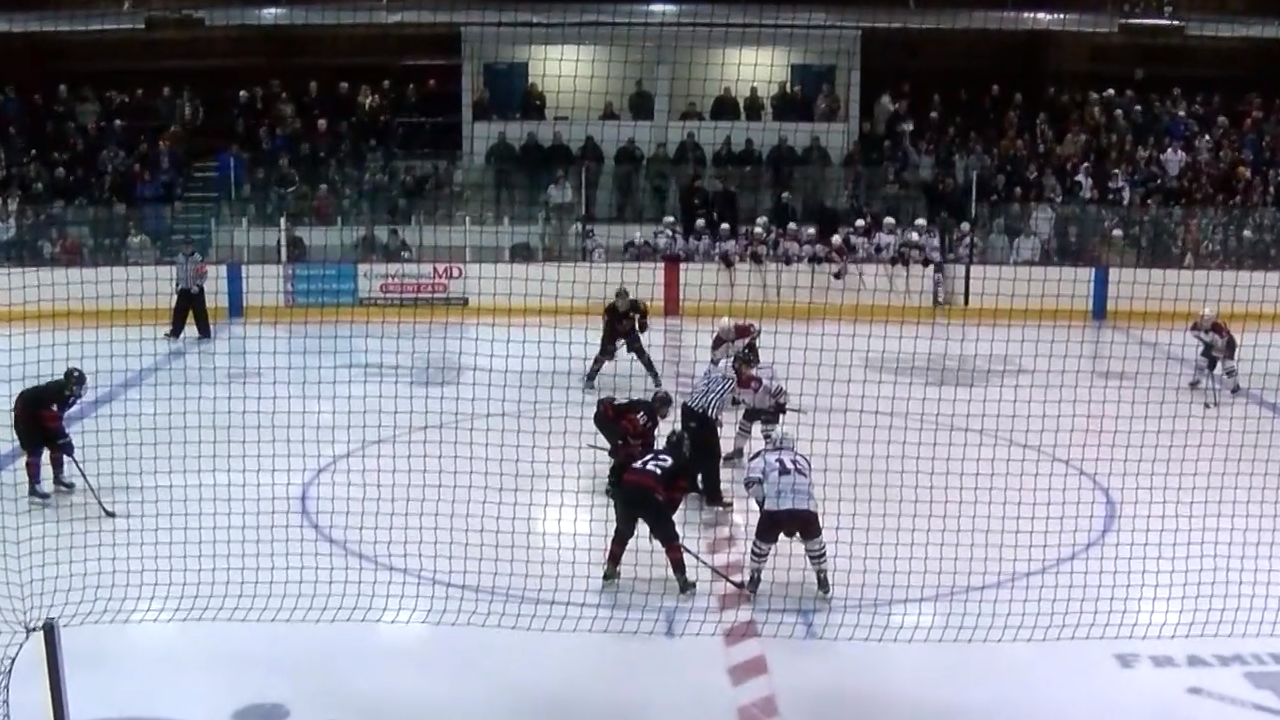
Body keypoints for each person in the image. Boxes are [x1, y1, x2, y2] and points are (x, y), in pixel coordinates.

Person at [603, 430, 697, 595]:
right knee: (670, 540)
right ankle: (682, 580)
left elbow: (623, 463)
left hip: (625, 491)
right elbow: (675, 497)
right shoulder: (682, 464)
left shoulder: (649, 452)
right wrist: (662, 524)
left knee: (622, 532)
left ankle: (610, 570)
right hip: (648, 494)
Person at [13, 368, 87, 501]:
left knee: (57, 445)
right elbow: (51, 419)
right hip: (27, 414)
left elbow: (56, 417)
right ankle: (34, 487)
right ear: (70, 386)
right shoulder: (55, 394)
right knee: (35, 449)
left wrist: (62, 440)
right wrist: (63, 438)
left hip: (44, 414)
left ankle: (58, 477)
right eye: (78, 387)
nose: (80, 390)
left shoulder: (70, 396)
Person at [594, 390, 673, 495]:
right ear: (659, 406)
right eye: (665, 407)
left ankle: (619, 476)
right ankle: (613, 484)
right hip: (605, 417)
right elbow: (627, 427)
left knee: (631, 449)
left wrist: (646, 454)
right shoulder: (647, 414)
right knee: (627, 452)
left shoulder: (650, 414)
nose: (666, 411)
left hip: (609, 415)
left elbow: (647, 439)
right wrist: (620, 445)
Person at [166, 238, 212, 340]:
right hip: (184, 289)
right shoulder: (179, 258)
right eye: (185, 245)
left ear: (192, 247)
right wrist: (177, 284)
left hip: (196, 290)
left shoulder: (198, 258)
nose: (186, 248)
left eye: (189, 246)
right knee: (179, 312)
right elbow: (179, 272)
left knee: (200, 312)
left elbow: (204, 274)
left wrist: (198, 285)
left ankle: (205, 333)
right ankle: (175, 333)